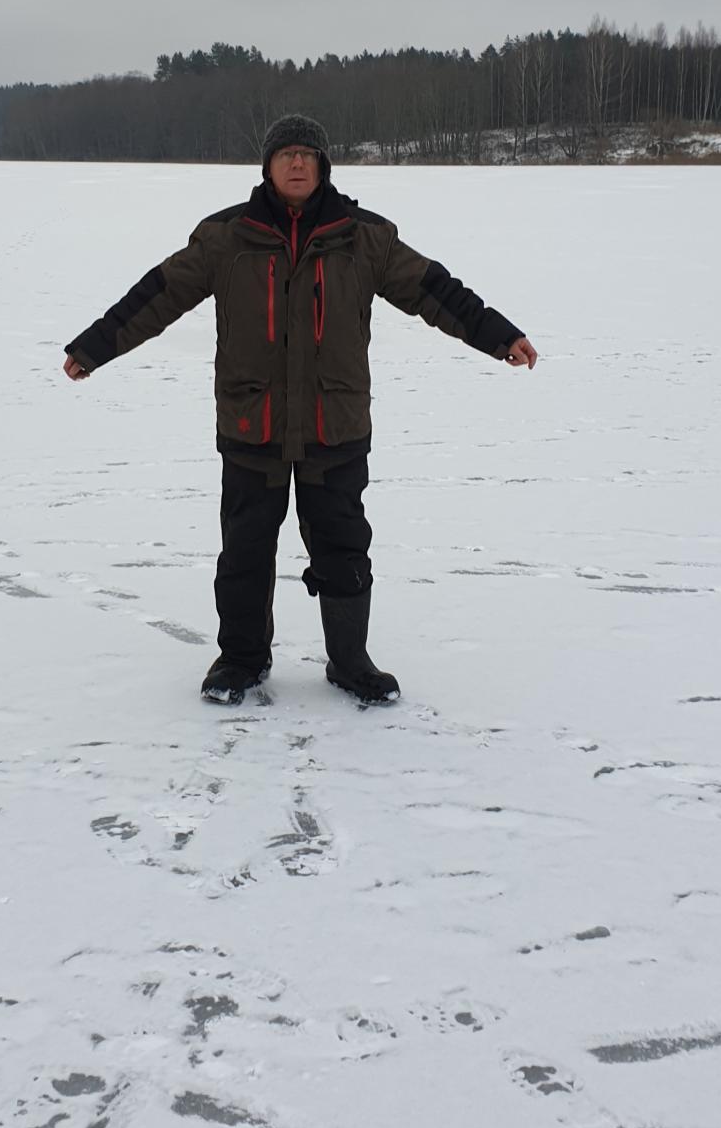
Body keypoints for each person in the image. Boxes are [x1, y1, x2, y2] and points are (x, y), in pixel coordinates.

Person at [64, 114, 537, 706]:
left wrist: (499, 335)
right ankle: (241, 660)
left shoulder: (364, 237)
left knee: (343, 549)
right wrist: (94, 348)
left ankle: (350, 662)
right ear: (267, 167)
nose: (296, 163)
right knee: (245, 552)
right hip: (252, 424)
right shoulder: (226, 237)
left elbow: (435, 290)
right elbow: (157, 295)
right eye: (285, 154)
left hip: (333, 426)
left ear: (323, 166)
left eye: (307, 155)